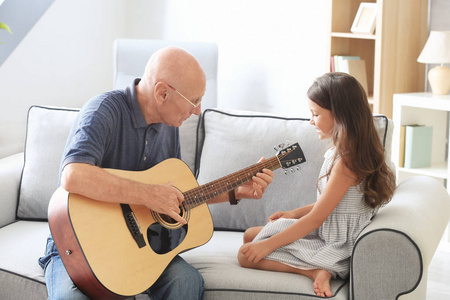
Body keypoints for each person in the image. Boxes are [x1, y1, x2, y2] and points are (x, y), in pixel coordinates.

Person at [38, 46, 274, 300]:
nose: (197, 110)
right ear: (162, 93)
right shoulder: (103, 110)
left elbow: (176, 198)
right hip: (76, 245)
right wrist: (147, 194)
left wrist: (234, 192)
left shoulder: (169, 126)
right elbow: (73, 175)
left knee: (186, 282)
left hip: (135, 247)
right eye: (194, 100)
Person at [237, 72, 396, 297]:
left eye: (315, 114)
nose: (311, 121)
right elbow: (329, 206)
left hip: (335, 243)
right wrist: (293, 213)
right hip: (325, 231)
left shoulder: (346, 164)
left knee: (246, 255)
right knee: (250, 236)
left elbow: (316, 218)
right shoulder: (341, 154)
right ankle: (314, 266)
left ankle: (314, 270)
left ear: (340, 115)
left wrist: (268, 246)